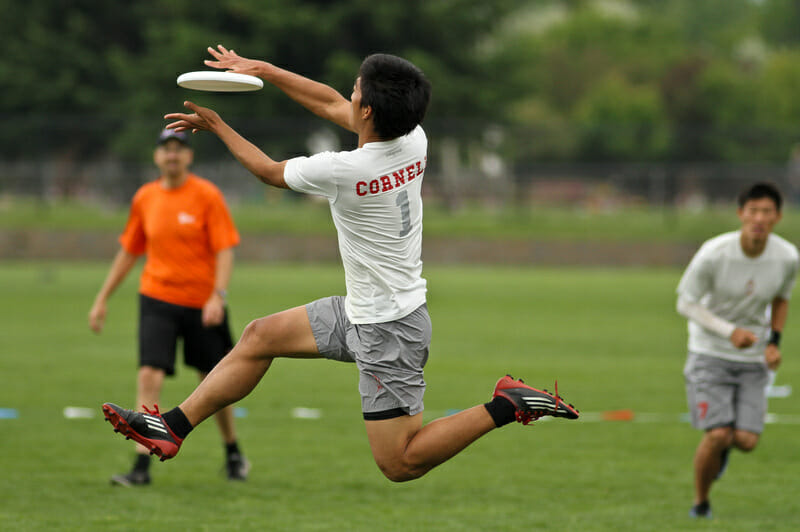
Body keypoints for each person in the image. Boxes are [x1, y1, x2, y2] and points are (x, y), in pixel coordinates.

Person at [101, 46, 579, 483]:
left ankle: (505, 404)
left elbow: (269, 170)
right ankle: (172, 427)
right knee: (258, 337)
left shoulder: (345, 170)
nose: (348, 95)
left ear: (368, 110)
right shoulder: (414, 139)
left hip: (389, 329)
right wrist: (263, 70)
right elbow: (331, 104)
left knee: (400, 462)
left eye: (356, 90)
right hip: (364, 310)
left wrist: (218, 126)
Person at [89, 128, 250, 486]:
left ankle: (233, 453)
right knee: (149, 374)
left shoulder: (207, 196)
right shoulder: (145, 198)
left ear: (189, 157)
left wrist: (217, 297)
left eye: (179, 149)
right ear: (157, 157)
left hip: (201, 304)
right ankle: (141, 466)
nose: (172, 155)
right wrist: (102, 298)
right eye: (166, 150)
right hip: (157, 299)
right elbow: (130, 251)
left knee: (214, 383)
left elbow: (225, 250)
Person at [676, 182, 798, 518]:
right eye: (753, 211)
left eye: (767, 212)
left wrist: (774, 343)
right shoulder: (714, 253)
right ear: (740, 214)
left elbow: (781, 299)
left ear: (777, 217)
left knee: (745, 440)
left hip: (752, 357)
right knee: (717, 434)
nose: (760, 218)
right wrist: (730, 332)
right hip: (709, 353)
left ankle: (724, 448)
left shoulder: (787, 256)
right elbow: (686, 303)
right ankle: (701, 504)